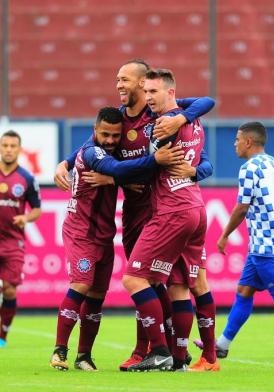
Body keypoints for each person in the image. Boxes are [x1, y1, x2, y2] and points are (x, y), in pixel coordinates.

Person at [54, 59, 217, 371]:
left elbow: (204, 156)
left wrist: (194, 168)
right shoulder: (116, 123)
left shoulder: (161, 117)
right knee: (151, 282)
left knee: (161, 281)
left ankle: (169, 352)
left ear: (143, 85)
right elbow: (93, 145)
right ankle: (151, 351)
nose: (119, 85)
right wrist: (67, 161)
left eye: (124, 80)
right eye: (117, 80)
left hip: (164, 209)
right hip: (134, 214)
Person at [49, 107, 184, 371]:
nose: (111, 140)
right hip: (81, 232)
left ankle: (84, 356)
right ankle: (59, 351)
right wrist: (154, 160)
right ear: (94, 131)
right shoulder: (92, 151)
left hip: (103, 234)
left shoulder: (98, 150)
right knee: (81, 286)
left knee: (97, 295)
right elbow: (113, 167)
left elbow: (114, 169)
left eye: (115, 136)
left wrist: (109, 179)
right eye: (105, 135)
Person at [195, 121, 274, 360]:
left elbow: (242, 207)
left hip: (266, 246)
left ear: (248, 142)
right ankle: (221, 345)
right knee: (244, 291)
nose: (234, 144)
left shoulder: (248, 169)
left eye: (237, 139)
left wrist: (223, 236)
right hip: (266, 245)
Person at [122, 69, 210, 372]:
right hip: (196, 207)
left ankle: (158, 351)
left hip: (172, 211)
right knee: (178, 285)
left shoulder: (164, 125)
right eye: (145, 92)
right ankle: (179, 357)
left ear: (170, 92)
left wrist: (117, 175)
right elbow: (205, 102)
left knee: (134, 278)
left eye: (154, 93)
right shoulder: (192, 119)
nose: (148, 99)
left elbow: (150, 165)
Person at [0, 130, 42, 348]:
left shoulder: (26, 178)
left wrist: (25, 217)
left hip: (13, 243)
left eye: (12, 146)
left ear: (19, 149)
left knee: (9, 289)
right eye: (5, 145)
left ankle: (2, 334)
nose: (8, 150)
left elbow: (37, 210)